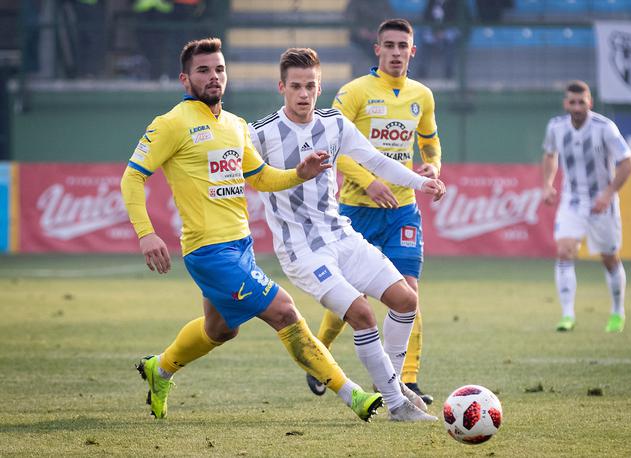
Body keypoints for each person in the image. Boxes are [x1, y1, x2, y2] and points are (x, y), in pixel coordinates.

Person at [120, 37, 384, 422]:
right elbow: (132, 178)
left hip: (240, 245)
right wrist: (146, 233)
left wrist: (299, 173)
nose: (214, 77)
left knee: (221, 330)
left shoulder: (235, 125)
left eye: (220, 69)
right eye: (203, 70)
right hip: (209, 252)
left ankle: (159, 370)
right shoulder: (171, 125)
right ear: (184, 79)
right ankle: (353, 395)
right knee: (286, 313)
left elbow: (259, 177)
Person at [248, 48, 446, 421]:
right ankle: (396, 403)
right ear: (281, 87)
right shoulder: (260, 134)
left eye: (310, 86)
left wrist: (422, 181)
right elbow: (231, 172)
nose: (303, 94)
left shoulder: (334, 124)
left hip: (340, 235)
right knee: (361, 313)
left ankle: (394, 383)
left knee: (405, 300)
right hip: (302, 250)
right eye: (295, 87)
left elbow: (375, 160)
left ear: (319, 87)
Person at [311, 18, 442, 405]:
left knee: (409, 292)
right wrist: (369, 180)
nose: (397, 52)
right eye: (390, 45)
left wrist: (433, 167)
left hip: (402, 209)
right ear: (378, 49)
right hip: (356, 209)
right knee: (352, 299)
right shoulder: (354, 92)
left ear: (413, 51)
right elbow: (331, 149)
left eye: (404, 46)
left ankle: (406, 379)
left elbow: (430, 142)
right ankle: (318, 355)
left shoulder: (422, 95)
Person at [541, 80, 631, 333]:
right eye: (572, 102)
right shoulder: (556, 127)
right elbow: (550, 155)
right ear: (565, 103)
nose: (577, 107)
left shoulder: (605, 128)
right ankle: (567, 315)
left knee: (609, 258)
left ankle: (617, 312)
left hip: (602, 204)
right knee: (564, 250)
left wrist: (608, 193)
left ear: (589, 102)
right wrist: (548, 183)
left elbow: (627, 163)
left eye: (582, 102)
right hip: (572, 201)